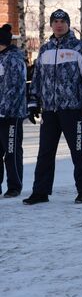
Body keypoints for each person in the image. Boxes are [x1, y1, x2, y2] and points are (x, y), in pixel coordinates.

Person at [23, 9, 82, 205]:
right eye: (55, 21)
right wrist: (33, 102)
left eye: (62, 21)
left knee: (79, 150)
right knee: (45, 152)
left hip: (73, 109)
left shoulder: (80, 48)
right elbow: (37, 77)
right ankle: (40, 192)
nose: (59, 24)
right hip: (50, 109)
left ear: (68, 24)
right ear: (51, 24)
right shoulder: (45, 50)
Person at [0, 24, 26, 198]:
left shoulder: (13, 58)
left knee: (12, 151)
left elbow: (14, 87)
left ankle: (14, 186)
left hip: (10, 114)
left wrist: (4, 109)